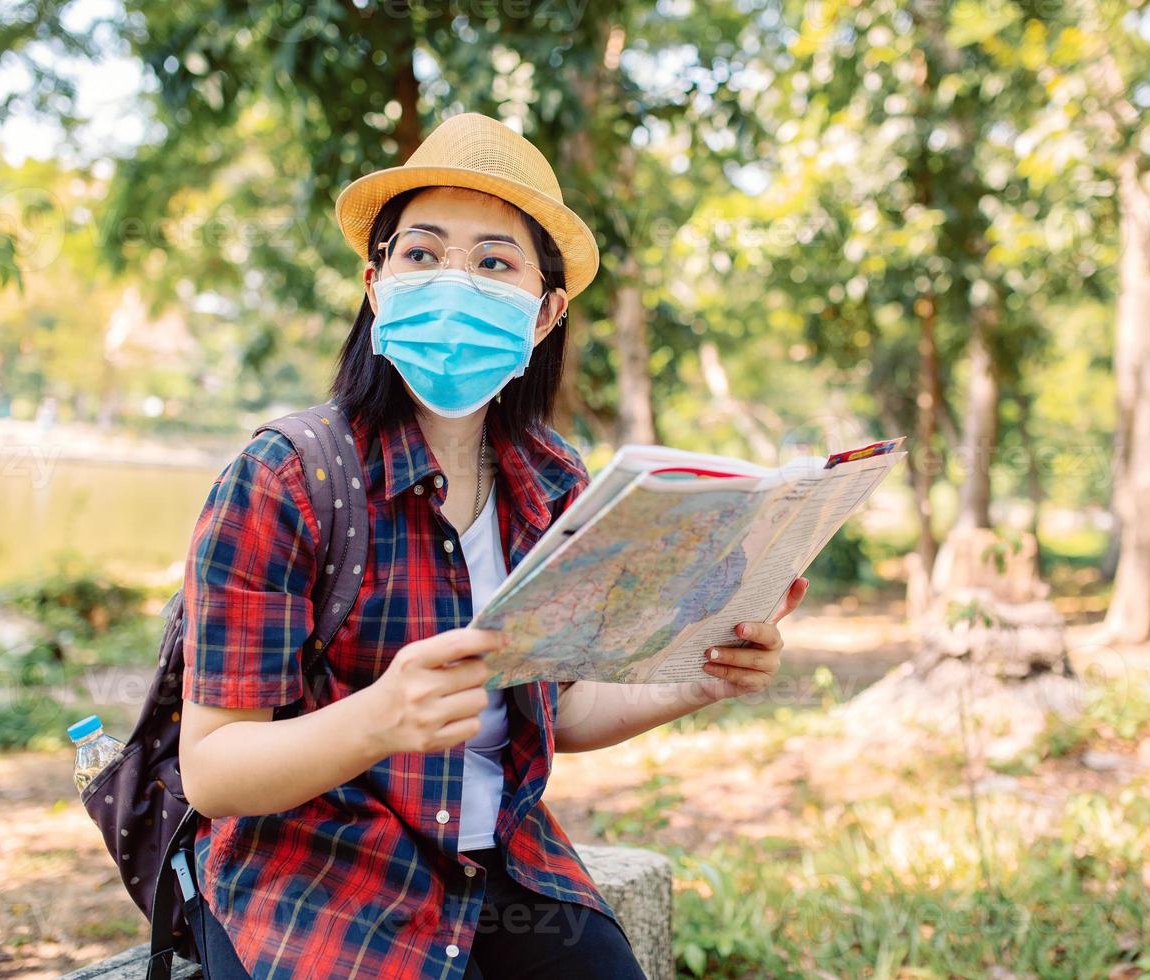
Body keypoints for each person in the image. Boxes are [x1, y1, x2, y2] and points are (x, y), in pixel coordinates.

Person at [177, 112, 810, 979]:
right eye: (423, 254)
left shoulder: (553, 484)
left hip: (498, 868)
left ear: (545, 313)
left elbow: (560, 709)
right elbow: (212, 769)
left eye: (494, 263)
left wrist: (696, 676)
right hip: (315, 875)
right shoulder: (284, 479)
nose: (452, 282)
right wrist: (377, 720)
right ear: (376, 285)